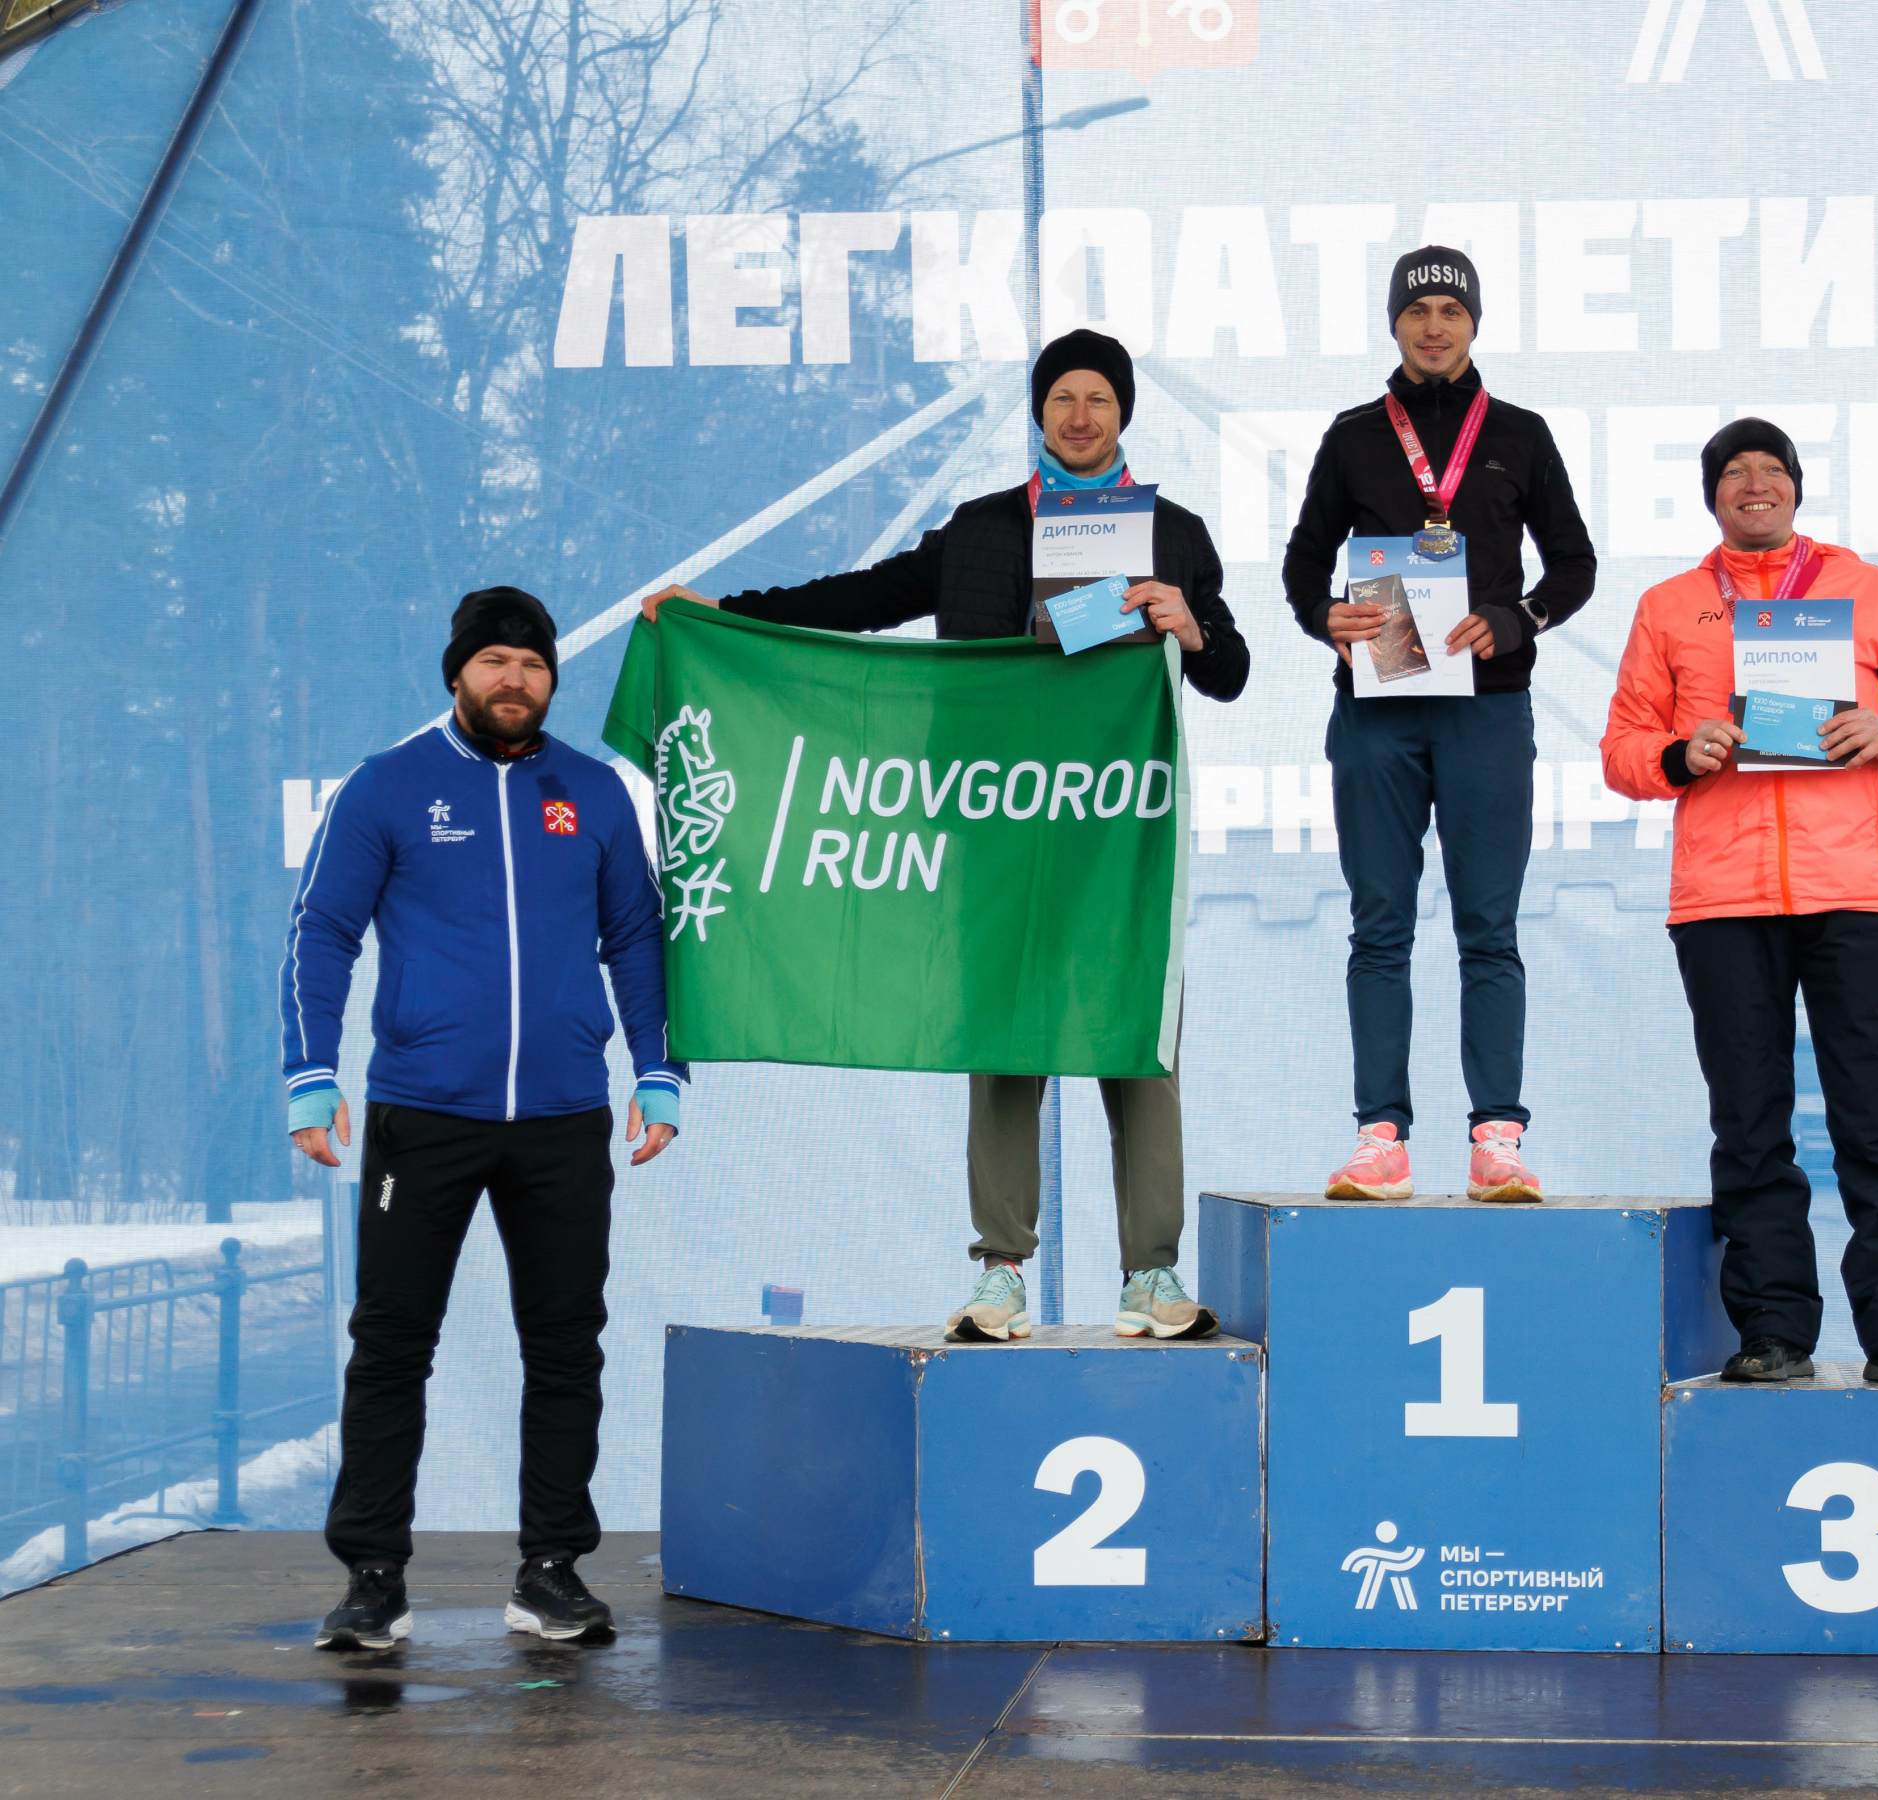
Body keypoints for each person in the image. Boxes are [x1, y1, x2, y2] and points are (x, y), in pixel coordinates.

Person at [642, 329, 1244, 1345]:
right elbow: (865, 599)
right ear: (1039, 412)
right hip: (993, 819)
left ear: (1123, 414)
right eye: (1063, 397)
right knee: (1003, 1042)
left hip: (1116, 827)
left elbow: (1227, 669)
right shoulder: (981, 528)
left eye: (1099, 398)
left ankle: (1152, 1273)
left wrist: (1192, 625)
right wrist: (724, 617)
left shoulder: (1171, 532)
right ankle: (1000, 1272)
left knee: (1136, 1042)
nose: (1081, 415)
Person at [283, 586, 684, 1653]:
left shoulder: (593, 792)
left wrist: (657, 1072)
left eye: (534, 664)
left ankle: (551, 1572)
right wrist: (311, 1074)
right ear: (457, 673)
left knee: (566, 1348)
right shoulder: (388, 786)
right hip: (423, 1116)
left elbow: (636, 939)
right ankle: (373, 1579)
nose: (516, 680)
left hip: (561, 1117)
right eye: (495, 661)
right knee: (390, 1346)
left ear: (552, 680)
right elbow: (324, 929)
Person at [1600, 418, 1878, 1389]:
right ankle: (1772, 1329)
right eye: (1734, 471)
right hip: (1723, 900)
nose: (1755, 483)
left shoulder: (1864, 588)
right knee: (1750, 1122)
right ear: (1712, 496)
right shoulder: (1671, 606)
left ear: (1797, 489)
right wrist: (1680, 754)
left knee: (1877, 1114)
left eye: (1772, 469)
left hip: (1851, 889)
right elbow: (1622, 748)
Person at [1282, 246, 1596, 1204]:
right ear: (1394, 323)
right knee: (1379, 928)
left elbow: (1574, 565)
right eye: (1416, 311)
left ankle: (1498, 1139)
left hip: (1487, 711)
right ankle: (1381, 1140)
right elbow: (1302, 563)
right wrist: (1324, 616)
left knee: (1487, 929)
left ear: (1473, 323)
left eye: (1450, 311)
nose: (1432, 326)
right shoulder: (1353, 436)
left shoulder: (1520, 434)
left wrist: (1517, 618)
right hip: (1378, 709)